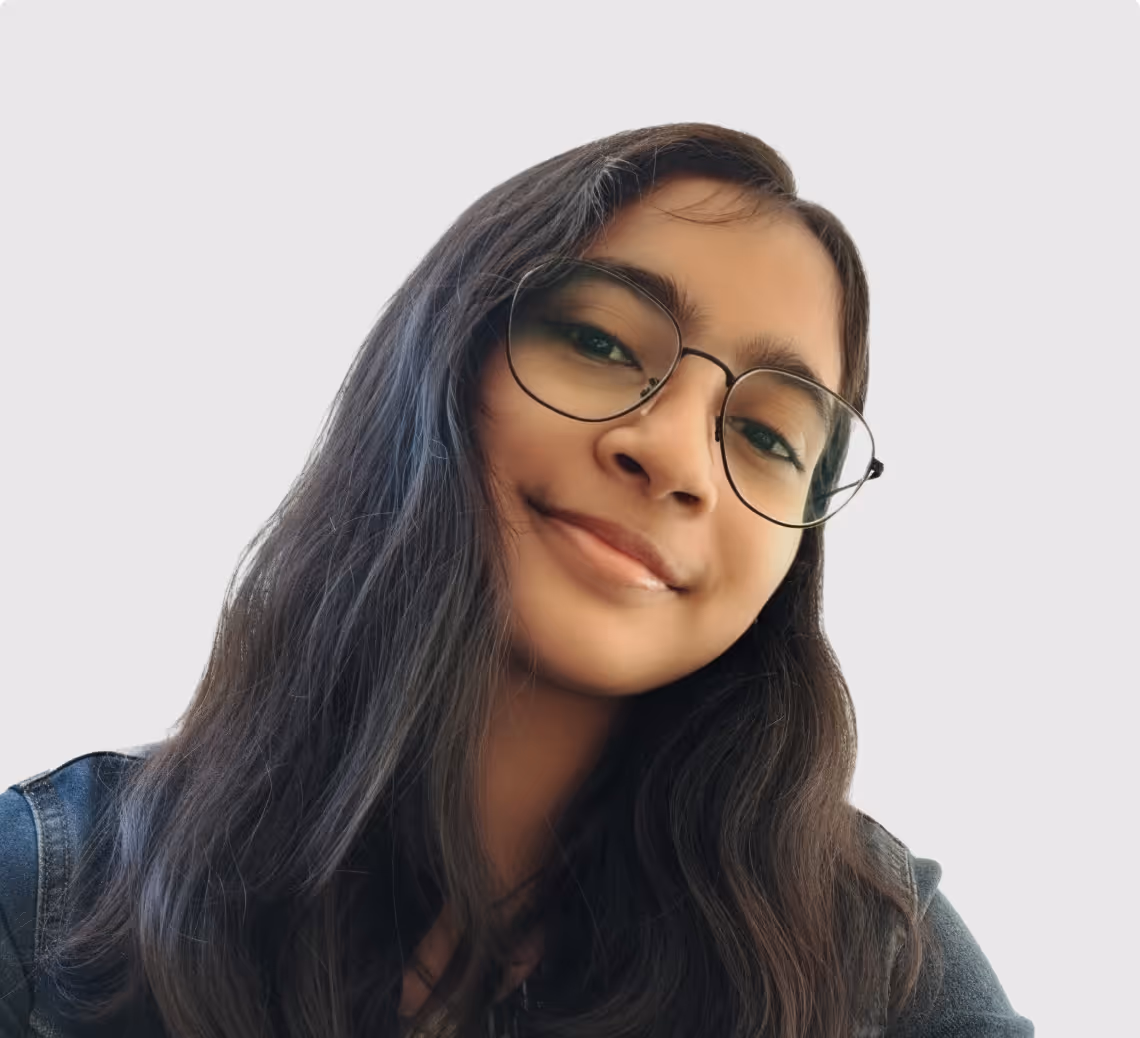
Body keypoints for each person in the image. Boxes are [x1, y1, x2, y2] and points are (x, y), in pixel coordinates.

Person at [0, 123, 1034, 1038]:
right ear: (443, 357)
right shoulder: (48, 886)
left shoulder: (884, 971)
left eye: (767, 436)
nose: (676, 457)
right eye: (598, 341)